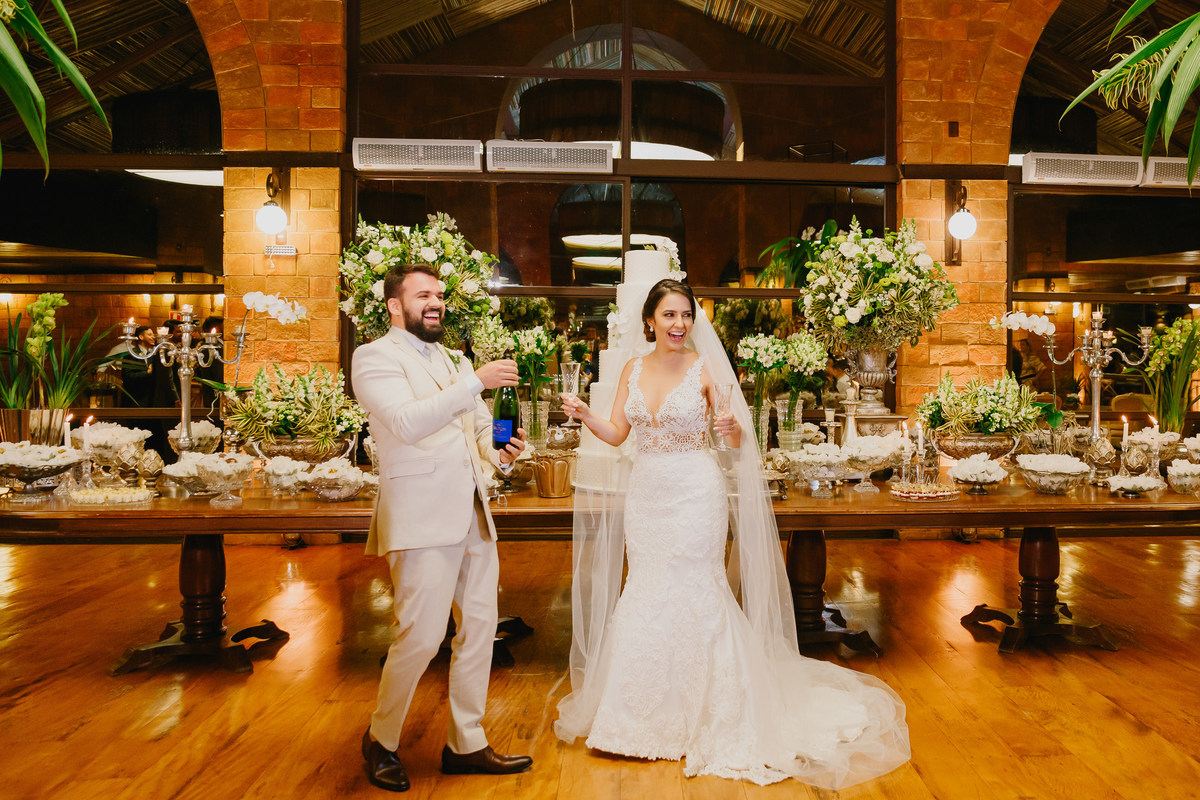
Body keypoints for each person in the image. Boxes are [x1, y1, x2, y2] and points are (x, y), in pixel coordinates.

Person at [555, 279, 909, 789]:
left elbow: (738, 433)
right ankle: (637, 718)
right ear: (650, 320)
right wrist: (587, 415)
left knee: (698, 587)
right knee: (648, 588)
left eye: (686, 315)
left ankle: (714, 711)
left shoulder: (706, 370)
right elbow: (618, 433)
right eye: (669, 315)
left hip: (696, 491)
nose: (679, 325)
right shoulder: (633, 369)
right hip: (648, 494)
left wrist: (733, 432)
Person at [350, 263, 534, 793]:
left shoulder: (455, 358)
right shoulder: (374, 357)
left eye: (440, 295)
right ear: (394, 304)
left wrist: (500, 450)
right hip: (422, 516)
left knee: (480, 630)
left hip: (472, 511)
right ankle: (381, 739)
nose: (436, 303)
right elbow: (407, 422)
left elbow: (475, 426)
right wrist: (475, 381)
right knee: (423, 636)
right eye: (423, 295)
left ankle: (466, 743)